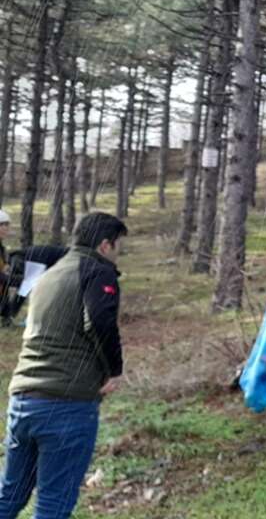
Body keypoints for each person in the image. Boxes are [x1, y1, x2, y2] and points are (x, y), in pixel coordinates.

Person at [0, 212, 128, 519]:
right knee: (53, 506)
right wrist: (114, 370)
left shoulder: (50, 273)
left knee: (10, 497)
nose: (120, 252)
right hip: (66, 406)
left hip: (22, 400)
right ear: (105, 244)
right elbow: (98, 320)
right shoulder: (98, 271)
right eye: (119, 245)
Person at [1, 246, 72, 328]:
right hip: (42, 260)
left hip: (59, 261)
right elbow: (24, 287)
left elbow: (25, 286)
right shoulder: (31, 257)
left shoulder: (25, 259)